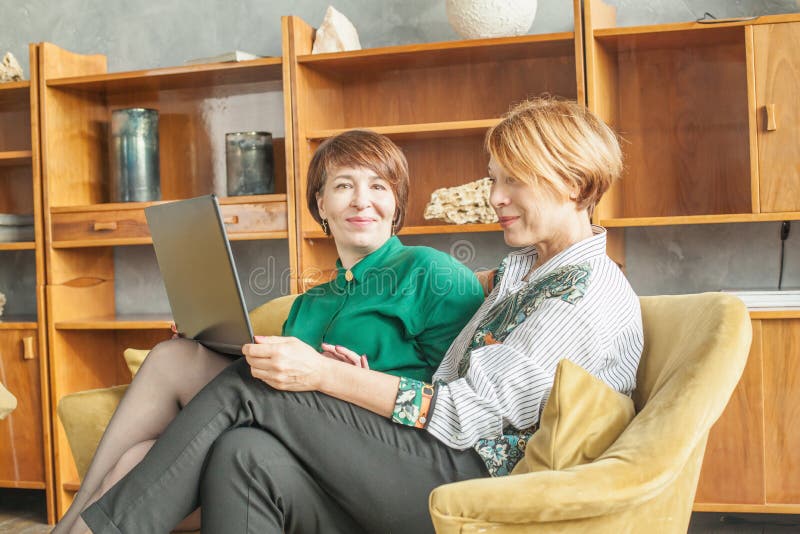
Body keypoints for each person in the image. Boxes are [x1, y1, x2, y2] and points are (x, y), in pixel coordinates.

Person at [79, 96, 644, 534]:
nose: (494, 195)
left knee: (254, 387)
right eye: (494, 177)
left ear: (572, 183)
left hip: (478, 485)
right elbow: (454, 379)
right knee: (242, 453)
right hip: (432, 458)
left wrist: (330, 377)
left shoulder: (582, 293)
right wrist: (360, 377)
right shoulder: (527, 271)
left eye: (511, 179)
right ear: (320, 204)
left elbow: (467, 417)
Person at [54, 130, 484, 534]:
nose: (361, 201)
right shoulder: (309, 303)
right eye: (343, 186)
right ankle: (71, 523)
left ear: (397, 202)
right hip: (289, 451)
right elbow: (277, 398)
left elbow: (457, 401)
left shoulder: (432, 272)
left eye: (378, 187)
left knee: (202, 387)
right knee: (163, 392)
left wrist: (359, 379)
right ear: (320, 204)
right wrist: (208, 336)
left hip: (382, 457)